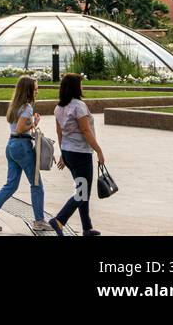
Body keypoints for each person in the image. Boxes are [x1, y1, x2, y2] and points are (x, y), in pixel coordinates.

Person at [0, 75, 50, 232]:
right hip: (22, 146)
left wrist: (30, 123)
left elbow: (16, 127)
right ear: (28, 90)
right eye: (35, 89)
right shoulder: (27, 107)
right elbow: (21, 128)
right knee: (36, 185)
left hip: (11, 145)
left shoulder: (14, 105)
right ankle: (39, 221)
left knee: (11, 184)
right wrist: (34, 123)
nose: (37, 91)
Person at [47, 73, 105, 237]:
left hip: (69, 153)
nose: (82, 87)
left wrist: (63, 154)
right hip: (81, 154)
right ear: (75, 87)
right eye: (80, 84)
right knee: (83, 192)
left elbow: (60, 133)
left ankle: (87, 228)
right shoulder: (79, 106)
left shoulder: (58, 108)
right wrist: (99, 151)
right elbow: (86, 131)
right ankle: (59, 220)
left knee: (82, 189)